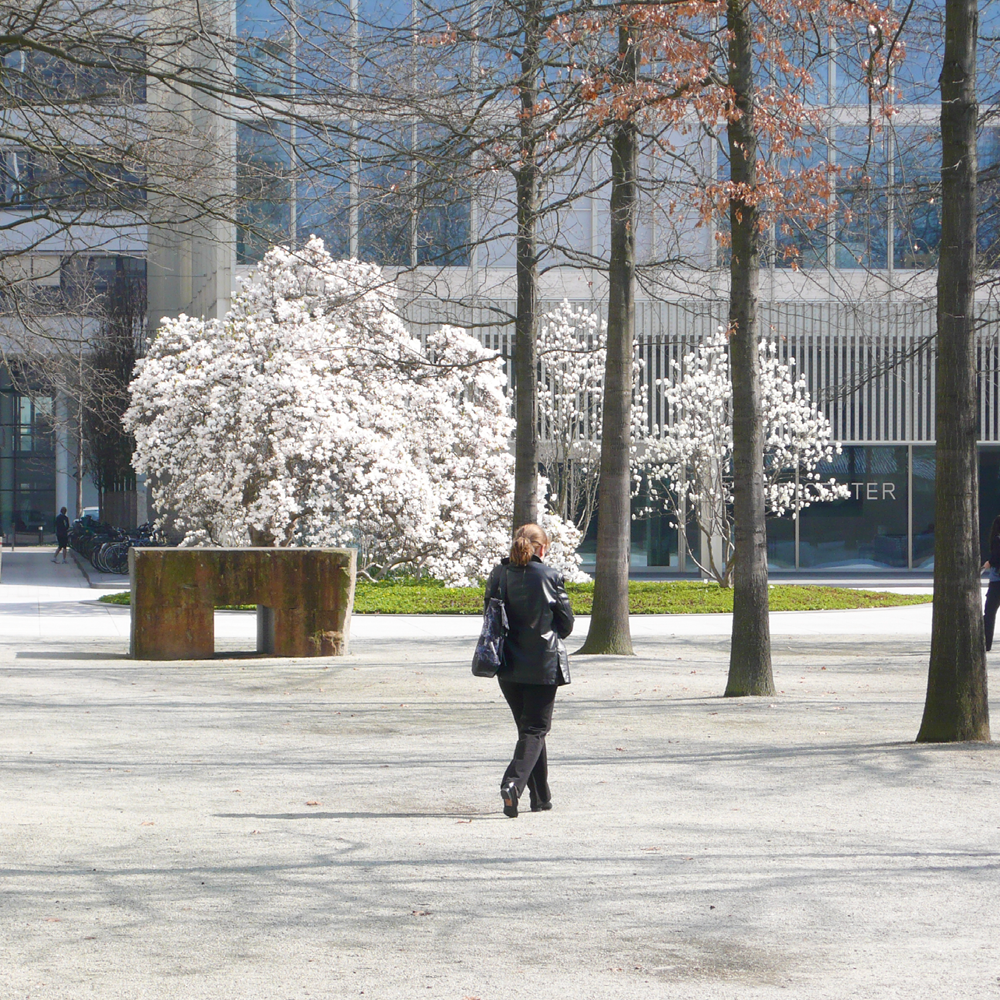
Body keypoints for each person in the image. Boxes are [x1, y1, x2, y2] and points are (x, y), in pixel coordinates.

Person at [484, 523, 574, 818]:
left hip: (507, 665)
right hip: (542, 664)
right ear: (542, 548)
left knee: (529, 732)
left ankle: (541, 797)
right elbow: (566, 624)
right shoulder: (549, 576)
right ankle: (513, 783)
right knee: (535, 730)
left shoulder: (498, 575)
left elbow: (489, 616)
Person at [983, 514, 1000, 651]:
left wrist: (989, 563)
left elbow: (996, 557)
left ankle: (986, 643)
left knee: (989, 613)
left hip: (997, 582)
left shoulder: (997, 539)